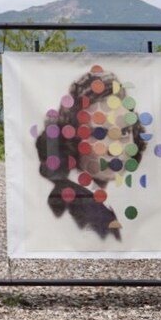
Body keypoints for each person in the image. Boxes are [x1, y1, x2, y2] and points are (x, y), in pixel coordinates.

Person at [34, 65, 149, 240]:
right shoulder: (82, 208)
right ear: (72, 139)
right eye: (99, 133)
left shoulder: (96, 202)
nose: (114, 149)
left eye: (124, 132)